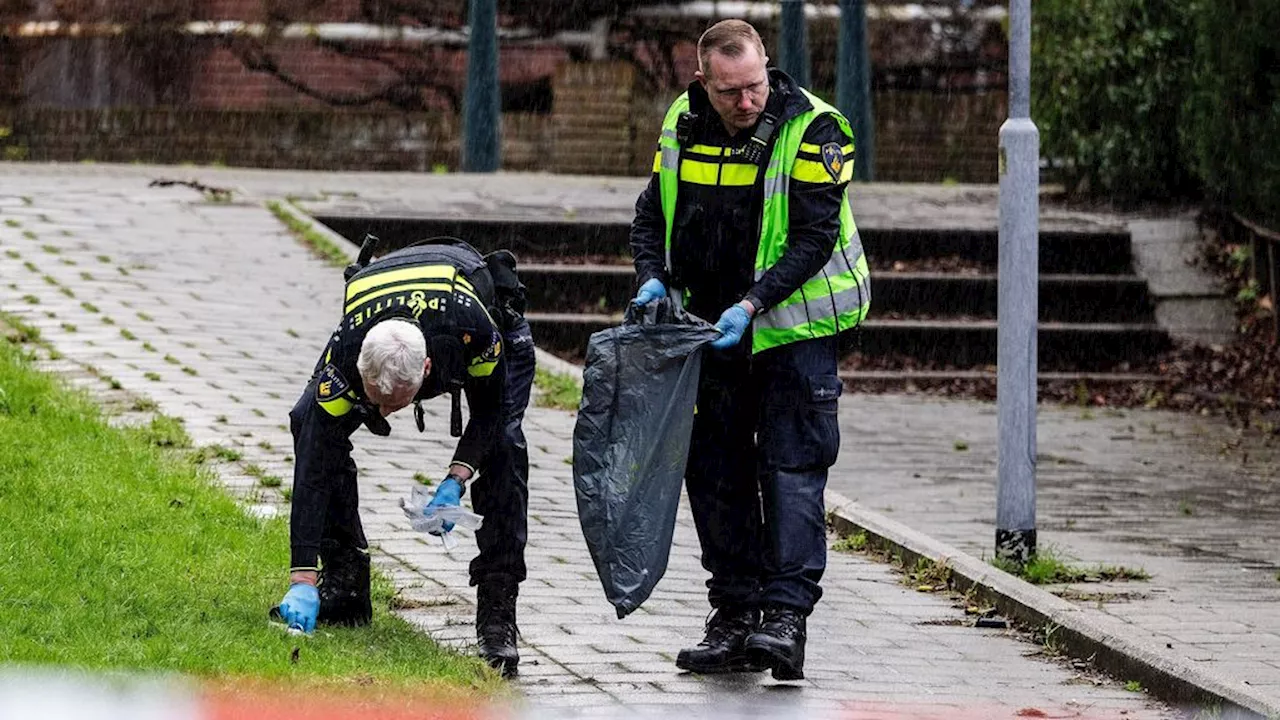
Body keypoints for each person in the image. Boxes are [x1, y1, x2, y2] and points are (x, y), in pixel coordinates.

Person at [629, 19, 871, 681]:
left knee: (790, 472)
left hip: (795, 334)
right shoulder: (683, 120)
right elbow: (654, 210)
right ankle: (734, 617)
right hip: (713, 333)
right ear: (703, 82)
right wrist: (652, 272)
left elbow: (812, 240)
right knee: (715, 475)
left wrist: (752, 303)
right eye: (730, 91)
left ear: (768, 64)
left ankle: (785, 623)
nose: (746, 102)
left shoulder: (815, 129)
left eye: (755, 85)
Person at [273, 237, 535, 678]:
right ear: (359, 367)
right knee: (310, 423)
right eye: (376, 401)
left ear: (428, 372)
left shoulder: (474, 331)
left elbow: (489, 411)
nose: (384, 412)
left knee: (504, 449)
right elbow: (315, 459)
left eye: (397, 402)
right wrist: (302, 576)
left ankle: (497, 612)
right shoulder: (348, 347)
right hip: (381, 317)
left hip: (482, 316)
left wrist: (457, 478)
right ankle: (346, 583)